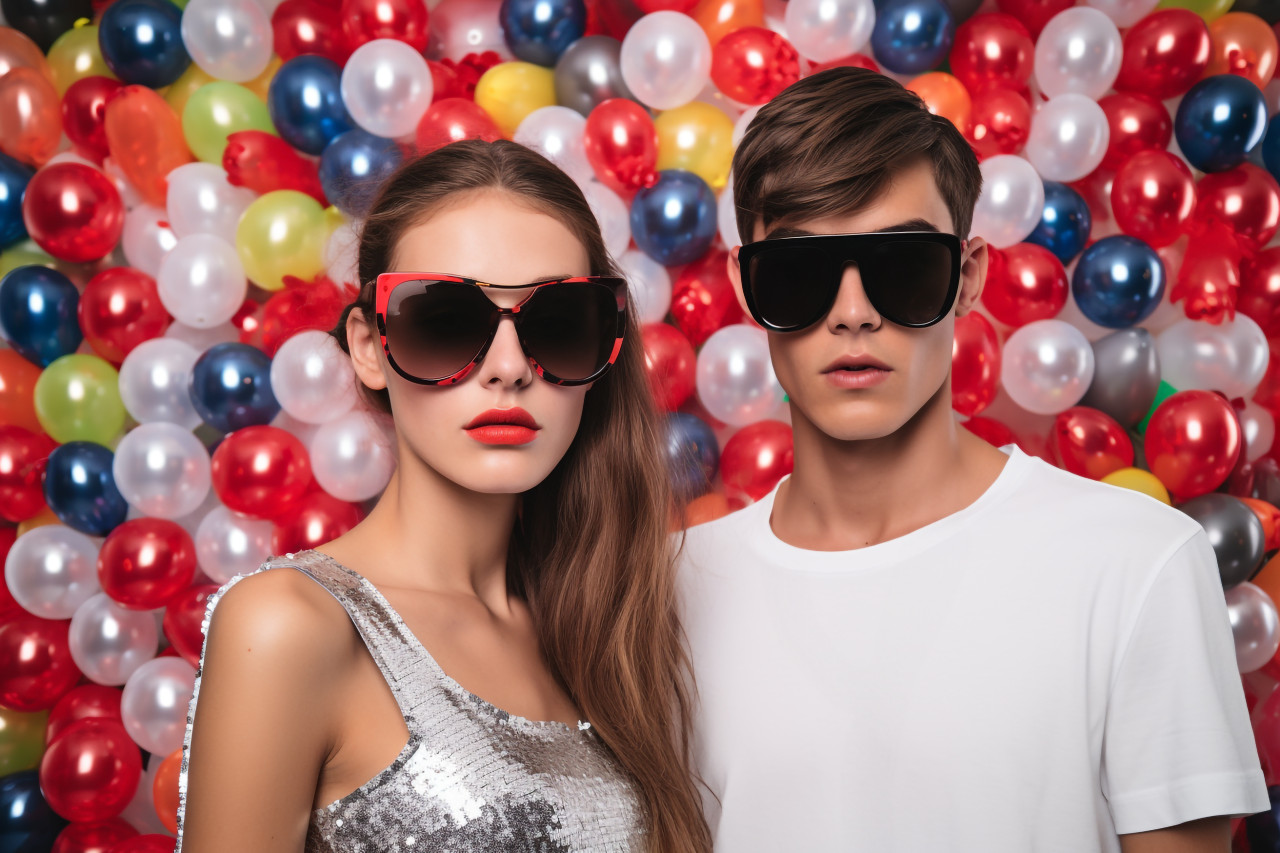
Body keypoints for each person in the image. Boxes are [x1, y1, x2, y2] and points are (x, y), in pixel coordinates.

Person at [677, 67, 1268, 852]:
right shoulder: (670, 590)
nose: (854, 314)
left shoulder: (1135, 562)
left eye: (903, 267)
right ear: (747, 286)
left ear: (968, 277)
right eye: (800, 272)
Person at [178, 140, 711, 853]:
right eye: (446, 320)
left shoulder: (600, 623)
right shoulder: (291, 624)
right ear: (369, 346)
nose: (509, 368)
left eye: (556, 324)